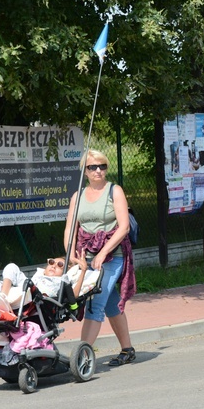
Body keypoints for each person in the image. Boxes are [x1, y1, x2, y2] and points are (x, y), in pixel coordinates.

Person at [64, 149, 136, 366]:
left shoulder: (115, 191)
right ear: (84, 171)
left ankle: (80, 356)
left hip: (113, 255)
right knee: (110, 302)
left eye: (102, 166)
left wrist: (104, 252)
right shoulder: (78, 196)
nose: (98, 171)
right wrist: (72, 256)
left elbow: (123, 227)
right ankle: (127, 349)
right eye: (92, 167)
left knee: (96, 300)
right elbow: (70, 230)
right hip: (88, 258)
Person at [0, 252, 89, 308]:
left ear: (65, 272)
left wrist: (83, 271)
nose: (53, 266)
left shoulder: (62, 281)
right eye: (51, 262)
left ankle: (2, 302)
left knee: (27, 288)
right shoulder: (39, 275)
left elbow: (74, 295)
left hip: (36, 296)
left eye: (60, 265)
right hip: (26, 287)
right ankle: (3, 296)